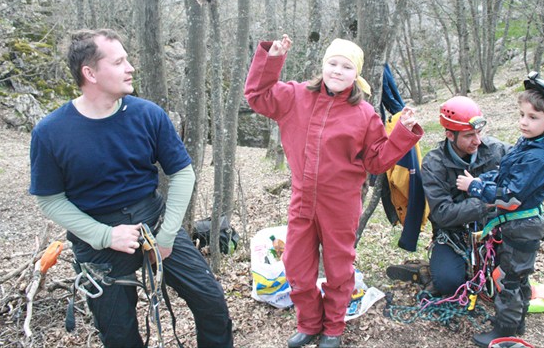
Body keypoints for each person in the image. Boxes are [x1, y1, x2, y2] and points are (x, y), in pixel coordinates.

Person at [29, 29, 233, 348]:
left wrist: (166, 235)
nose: (131, 68)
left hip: (154, 220)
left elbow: (181, 173)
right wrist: (105, 235)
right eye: (119, 61)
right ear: (90, 73)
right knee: (119, 334)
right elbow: (50, 200)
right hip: (96, 237)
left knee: (212, 304)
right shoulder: (51, 132)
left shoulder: (146, 114)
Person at [244, 34, 423, 348]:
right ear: (323, 65)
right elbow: (257, 95)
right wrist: (272, 59)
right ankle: (310, 323)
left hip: (341, 203)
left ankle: (333, 329)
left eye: (346, 66)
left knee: (339, 269)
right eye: (332, 63)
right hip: (302, 199)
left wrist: (402, 133)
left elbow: (377, 160)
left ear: (357, 75)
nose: (338, 71)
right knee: (296, 266)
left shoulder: (364, 114)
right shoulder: (295, 96)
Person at [456, 73, 544, 347]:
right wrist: (485, 179)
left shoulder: (540, 157)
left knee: (508, 279)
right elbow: (507, 174)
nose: (523, 122)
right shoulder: (531, 145)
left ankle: (505, 332)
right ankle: (515, 322)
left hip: (522, 227)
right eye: (522, 114)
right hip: (517, 226)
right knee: (517, 277)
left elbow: (511, 198)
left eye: (532, 117)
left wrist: (474, 187)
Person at [418, 96, 510, 296]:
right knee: (449, 284)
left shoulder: (498, 151)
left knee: (508, 280)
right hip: (453, 234)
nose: (477, 141)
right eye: (469, 135)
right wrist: (484, 202)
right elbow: (442, 213)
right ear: (450, 135)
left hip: (494, 231)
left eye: (478, 133)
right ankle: (431, 269)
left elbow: (522, 177)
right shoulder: (434, 164)